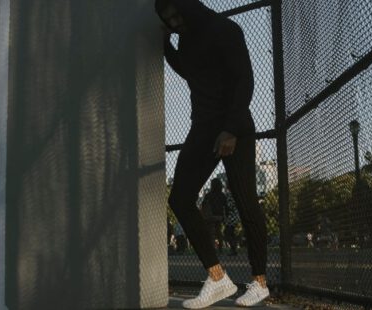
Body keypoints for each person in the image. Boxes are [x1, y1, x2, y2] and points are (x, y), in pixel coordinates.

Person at [155, 0, 269, 308]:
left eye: (177, 14)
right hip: (204, 127)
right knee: (179, 197)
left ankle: (260, 282)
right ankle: (218, 278)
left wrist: (230, 128)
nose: (175, 22)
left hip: (234, 126)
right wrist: (166, 45)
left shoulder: (225, 29)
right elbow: (189, 72)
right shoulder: (186, 39)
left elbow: (244, 79)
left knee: (246, 204)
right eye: (169, 19)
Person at [201, 178, 227, 253]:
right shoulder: (222, 195)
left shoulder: (208, 195)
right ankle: (220, 248)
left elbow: (204, 205)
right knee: (218, 231)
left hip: (211, 216)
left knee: (211, 232)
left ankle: (212, 248)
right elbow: (225, 206)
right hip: (219, 216)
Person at [224, 187, 240, 256]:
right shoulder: (236, 193)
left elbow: (229, 205)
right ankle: (234, 249)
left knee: (227, 232)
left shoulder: (229, 194)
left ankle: (233, 248)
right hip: (235, 215)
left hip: (232, 215)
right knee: (230, 232)